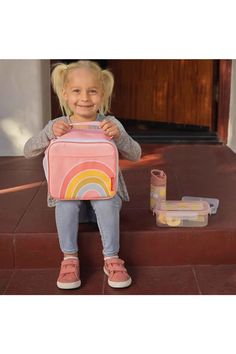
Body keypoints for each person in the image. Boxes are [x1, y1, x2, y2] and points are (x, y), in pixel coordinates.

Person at [24, 60, 142, 290]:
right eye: (77, 91)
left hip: (104, 196)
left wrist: (119, 137)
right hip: (71, 198)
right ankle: (69, 258)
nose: (85, 98)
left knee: (106, 200)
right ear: (65, 94)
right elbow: (28, 150)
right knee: (65, 202)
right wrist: (49, 133)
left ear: (103, 94)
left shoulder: (110, 124)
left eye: (93, 91)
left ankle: (111, 258)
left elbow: (136, 153)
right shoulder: (58, 125)